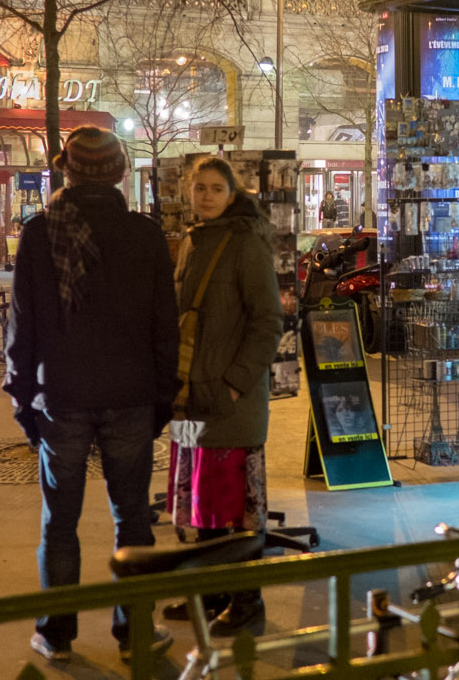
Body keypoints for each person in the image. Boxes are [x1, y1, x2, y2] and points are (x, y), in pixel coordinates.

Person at [4, 126, 179, 664]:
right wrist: (160, 399)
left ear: (67, 171)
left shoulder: (40, 233)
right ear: (122, 173)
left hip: (62, 397)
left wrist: (23, 399)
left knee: (60, 521)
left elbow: (22, 329)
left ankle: (56, 634)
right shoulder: (145, 235)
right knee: (133, 518)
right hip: (130, 396)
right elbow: (163, 326)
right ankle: (135, 635)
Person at [168, 154, 282, 635]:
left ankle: (245, 600)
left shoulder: (245, 245)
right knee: (199, 503)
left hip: (229, 400)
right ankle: (209, 590)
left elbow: (268, 321)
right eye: (200, 188)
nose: (207, 196)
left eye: (216, 188)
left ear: (232, 193)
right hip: (190, 398)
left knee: (235, 505)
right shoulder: (191, 241)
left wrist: (236, 381)